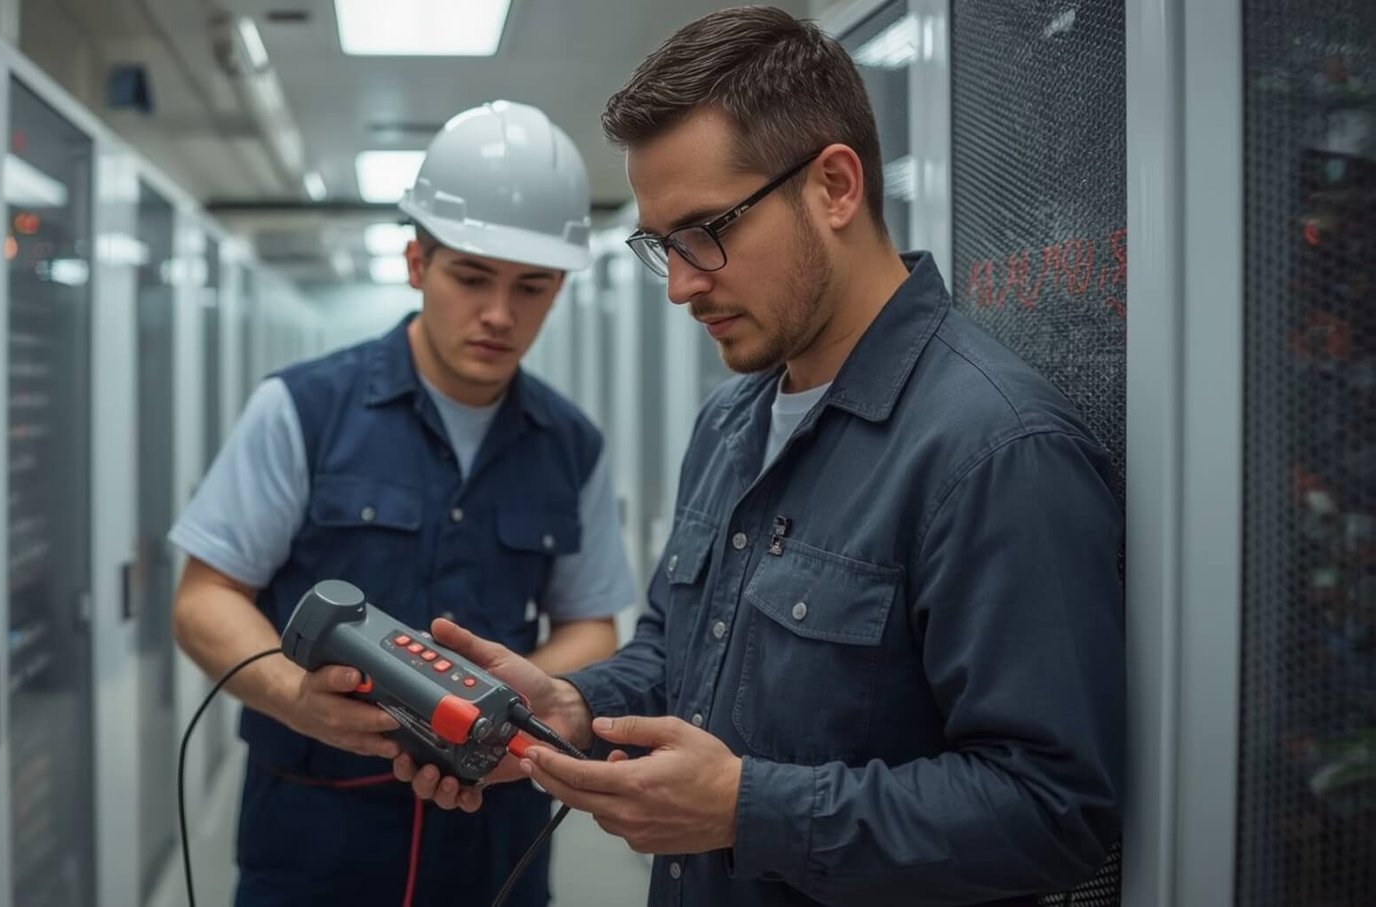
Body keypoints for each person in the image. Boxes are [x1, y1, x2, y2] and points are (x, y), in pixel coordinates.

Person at [400, 9, 1125, 907]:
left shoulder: (994, 451)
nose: (679, 284)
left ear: (833, 186)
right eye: (661, 245)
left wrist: (750, 808)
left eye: (706, 232)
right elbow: (677, 649)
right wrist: (572, 705)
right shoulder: (731, 420)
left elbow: (1055, 811)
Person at [168, 100, 632, 907]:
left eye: (532, 286)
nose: (499, 314)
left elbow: (591, 622)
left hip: (494, 833)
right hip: (315, 832)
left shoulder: (571, 442)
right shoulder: (302, 409)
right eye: (471, 277)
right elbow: (205, 598)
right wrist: (294, 696)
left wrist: (501, 706)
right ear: (417, 262)